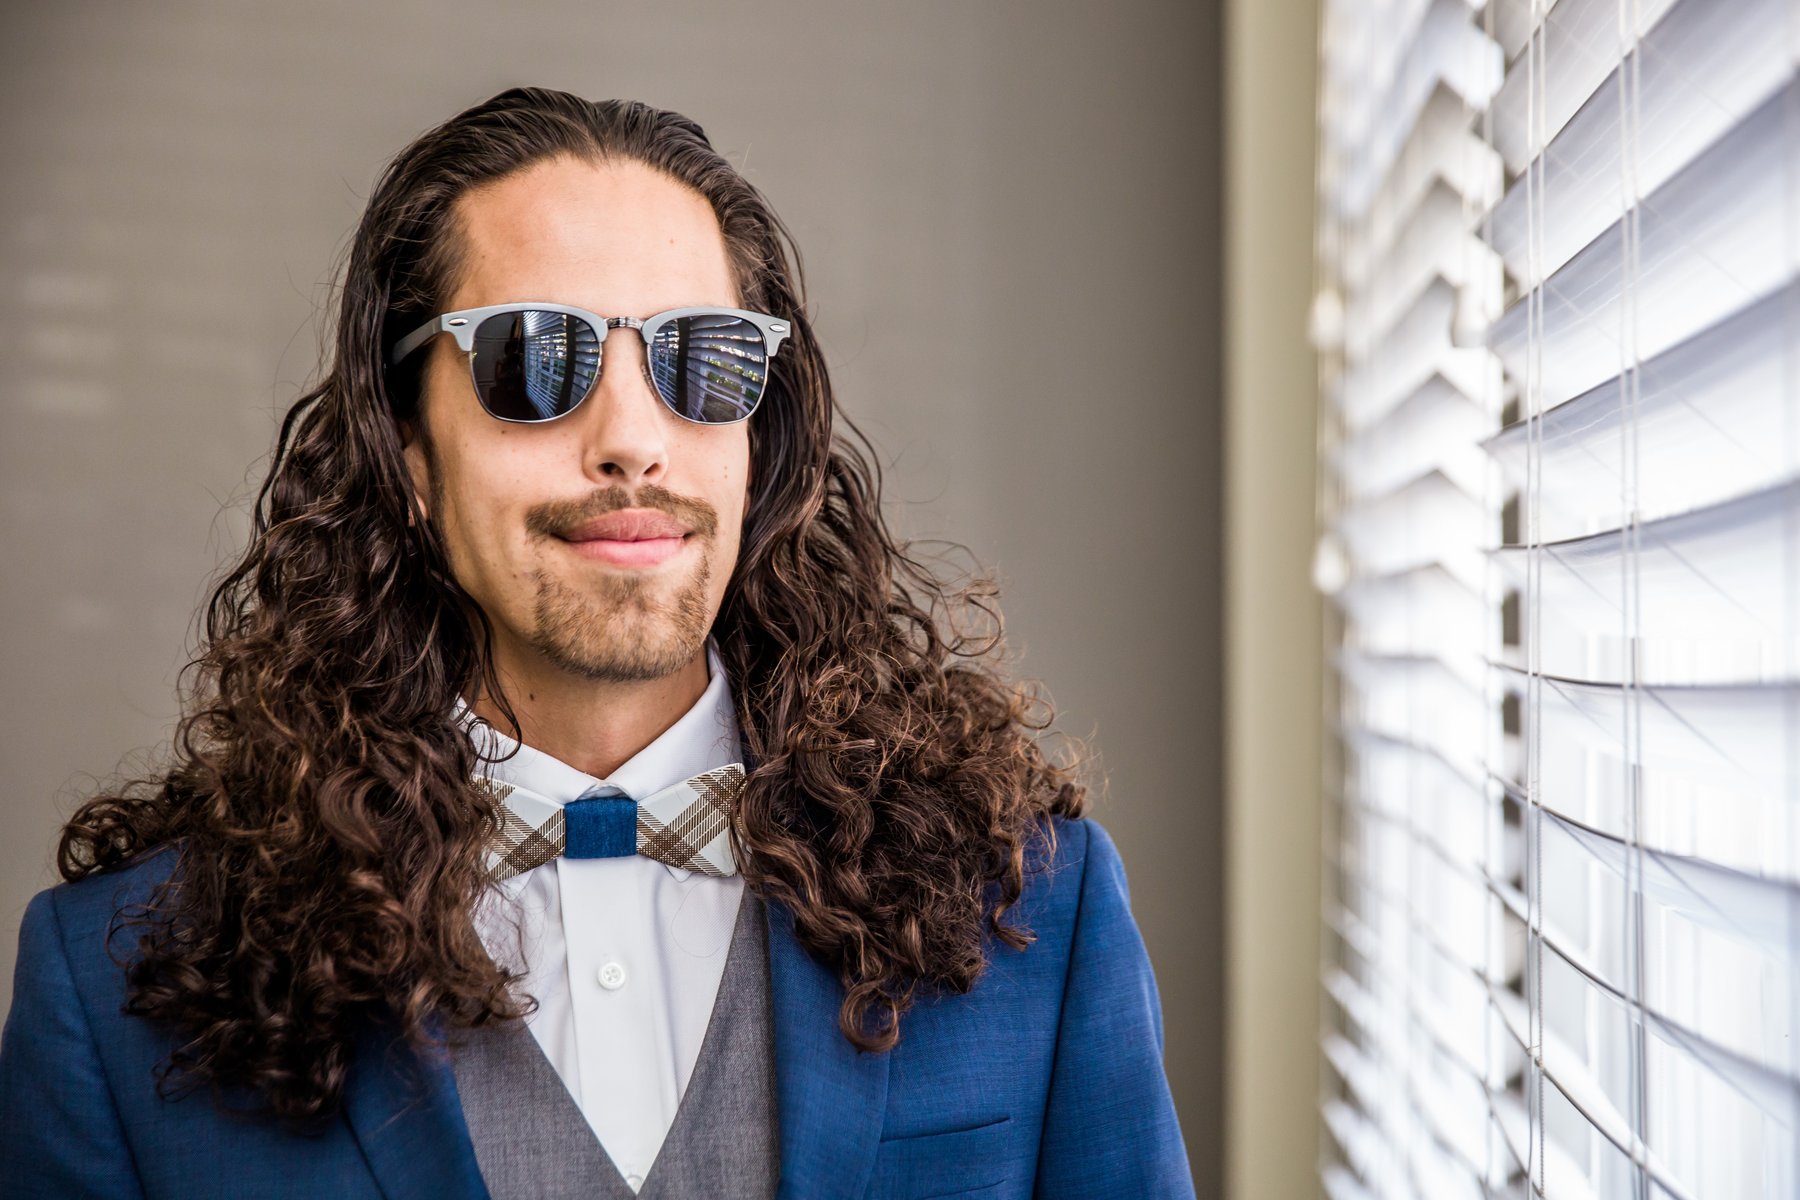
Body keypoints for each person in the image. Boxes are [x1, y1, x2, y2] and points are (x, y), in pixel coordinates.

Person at [0, 87, 1195, 1199]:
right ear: (409, 454)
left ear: (757, 445)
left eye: (702, 361)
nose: (633, 439)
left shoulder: (1040, 913)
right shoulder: (110, 993)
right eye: (534, 358)